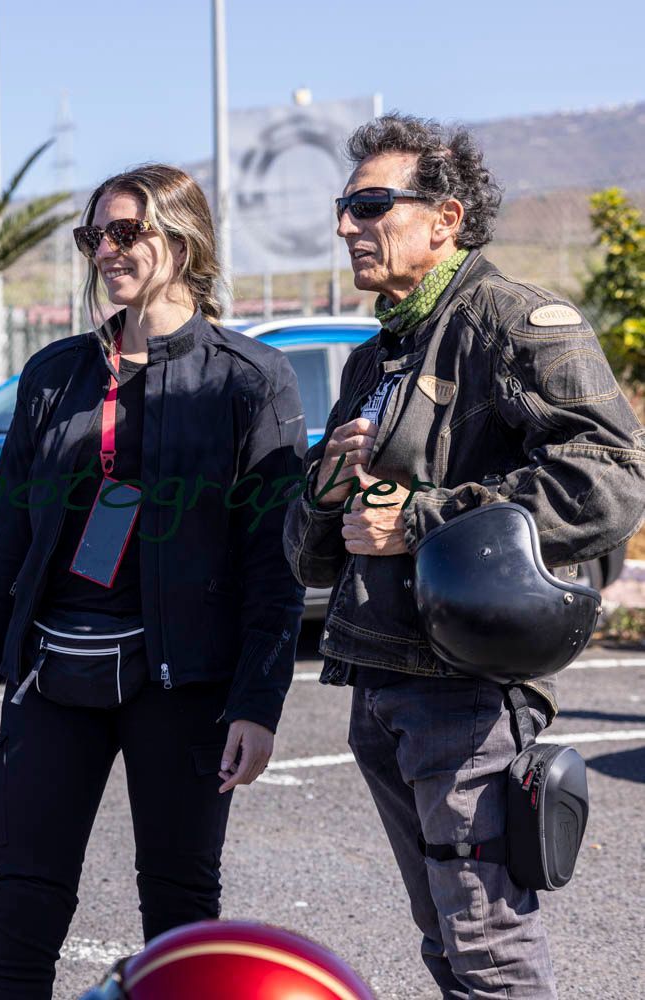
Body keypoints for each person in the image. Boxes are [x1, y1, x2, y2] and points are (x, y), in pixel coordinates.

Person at [283, 114, 645, 1000]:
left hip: (470, 693)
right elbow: (315, 557)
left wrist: (428, 516)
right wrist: (327, 490)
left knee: (490, 953)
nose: (346, 226)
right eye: (344, 205)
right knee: (447, 943)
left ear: (444, 217)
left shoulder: (513, 321)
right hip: (380, 681)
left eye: (371, 205)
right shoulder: (374, 356)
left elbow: (616, 474)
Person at [0, 165, 307, 999]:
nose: (106, 249)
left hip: (186, 685)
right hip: (52, 674)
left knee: (180, 913)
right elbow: (9, 545)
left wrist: (257, 704)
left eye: (126, 232)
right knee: (24, 907)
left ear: (183, 239)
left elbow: (272, 561)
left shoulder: (249, 379)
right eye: (93, 234)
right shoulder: (54, 376)